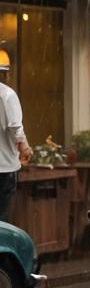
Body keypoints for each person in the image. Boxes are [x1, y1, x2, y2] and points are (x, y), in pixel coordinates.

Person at [0, 62, 30, 221]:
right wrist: (25, 147)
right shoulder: (7, 95)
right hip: (4, 167)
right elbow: (15, 127)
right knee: (2, 220)